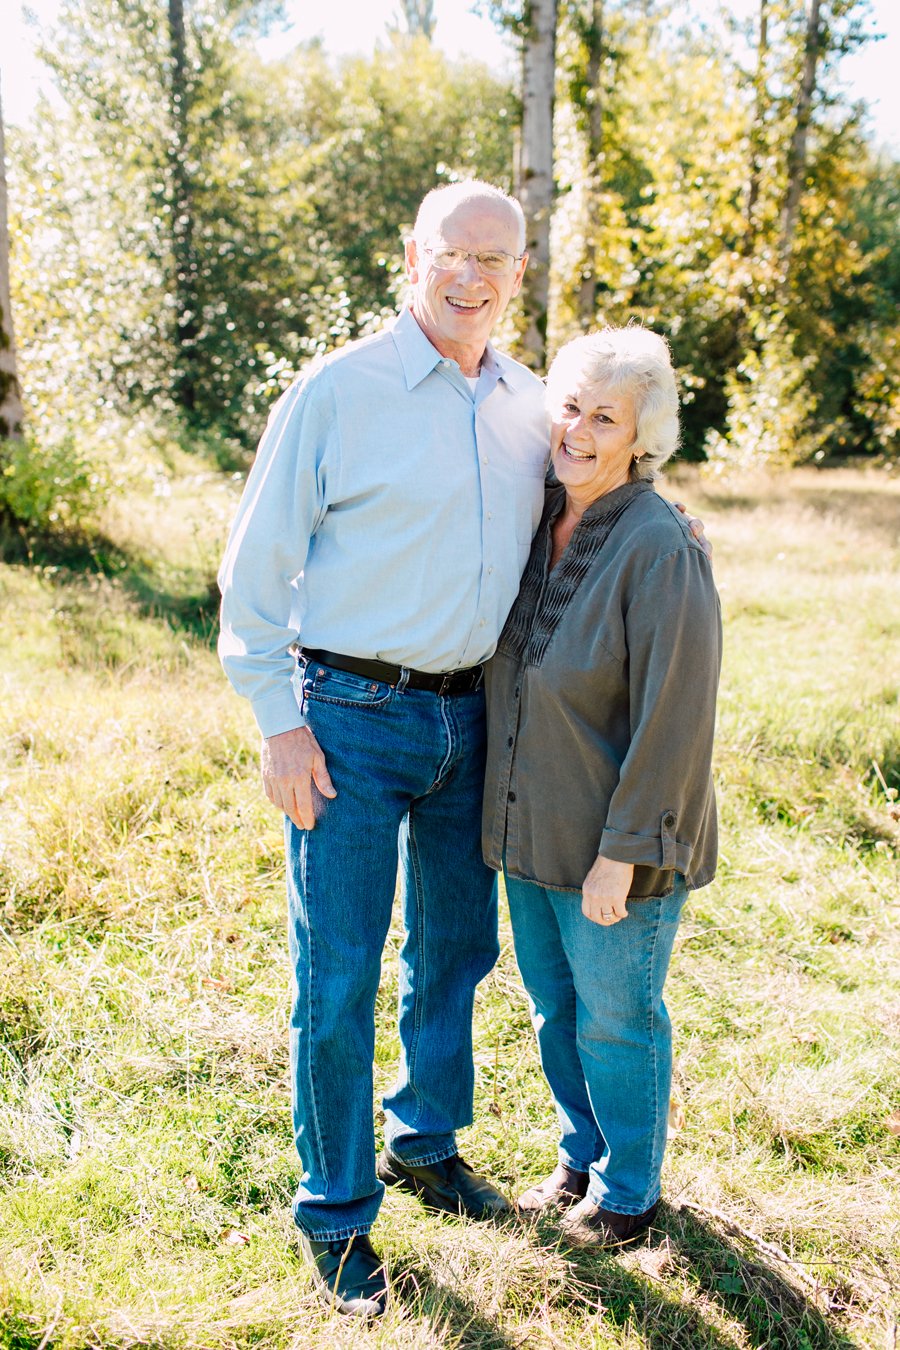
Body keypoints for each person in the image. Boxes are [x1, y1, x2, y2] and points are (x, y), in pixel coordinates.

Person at [218, 180, 549, 1318]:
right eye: (450, 253)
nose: (469, 276)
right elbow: (255, 577)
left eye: (493, 259)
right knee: (342, 966)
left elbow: (588, 503)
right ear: (410, 257)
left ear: (520, 272)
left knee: (457, 950)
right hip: (347, 720)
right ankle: (338, 1211)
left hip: (477, 719)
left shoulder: (527, 403)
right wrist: (278, 721)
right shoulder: (339, 391)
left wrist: (665, 517)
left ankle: (425, 1137)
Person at [482, 326, 721, 1248]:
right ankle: (581, 1156)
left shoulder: (662, 548)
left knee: (619, 1019)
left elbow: (675, 719)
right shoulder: (534, 508)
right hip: (529, 827)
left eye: (605, 416)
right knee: (556, 1010)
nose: (579, 429)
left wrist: (623, 857)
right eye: (570, 406)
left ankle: (630, 1196)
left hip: (618, 844)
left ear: (641, 435)